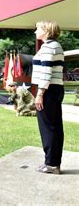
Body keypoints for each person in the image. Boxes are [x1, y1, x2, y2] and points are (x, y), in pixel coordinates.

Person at [32, 20, 64, 175]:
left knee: (47, 127)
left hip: (48, 91)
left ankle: (50, 164)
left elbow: (46, 72)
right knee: (56, 126)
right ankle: (54, 163)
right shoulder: (56, 46)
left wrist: (40, 94)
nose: (35, 31)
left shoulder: (47, 47)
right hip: (57, 89)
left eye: (37, 28)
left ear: (46, 30)